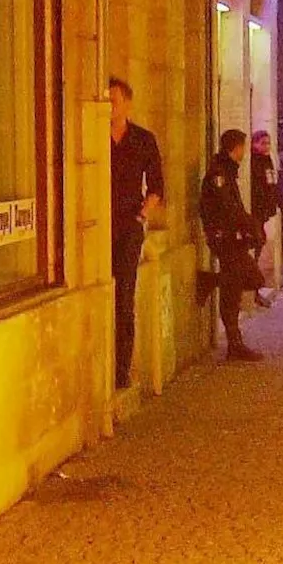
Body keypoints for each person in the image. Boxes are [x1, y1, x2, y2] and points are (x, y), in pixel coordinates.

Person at [109, 77, 165, 389]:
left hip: (128, 226)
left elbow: (157, 184)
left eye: (114, 101)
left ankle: (121, 370)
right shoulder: (93, 138)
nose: (109, 107)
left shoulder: (143, 139)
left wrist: (142, 215)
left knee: (124, 296)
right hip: (98, 224)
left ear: (127, 103)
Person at [198, 129, 264, 362]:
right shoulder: (220, 174)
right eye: (243, 147)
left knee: (246, 282)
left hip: (232, 237)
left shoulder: (227, 171)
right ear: (235, 148)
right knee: (235, 288)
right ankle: (234, 343)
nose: (244, 152)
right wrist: (250, 225)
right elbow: (227, 209)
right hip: (225, 238)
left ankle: (211, 281)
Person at [249, 130, 278, 305]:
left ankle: (255, 289)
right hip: (256, 212)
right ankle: (253, 290)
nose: (266, 146)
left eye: (268, 143)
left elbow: (271, 184)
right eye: (263, 143)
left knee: (260, 244)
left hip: (263, 212)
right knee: (256, 245)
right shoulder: (253, 162)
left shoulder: (267, 160)